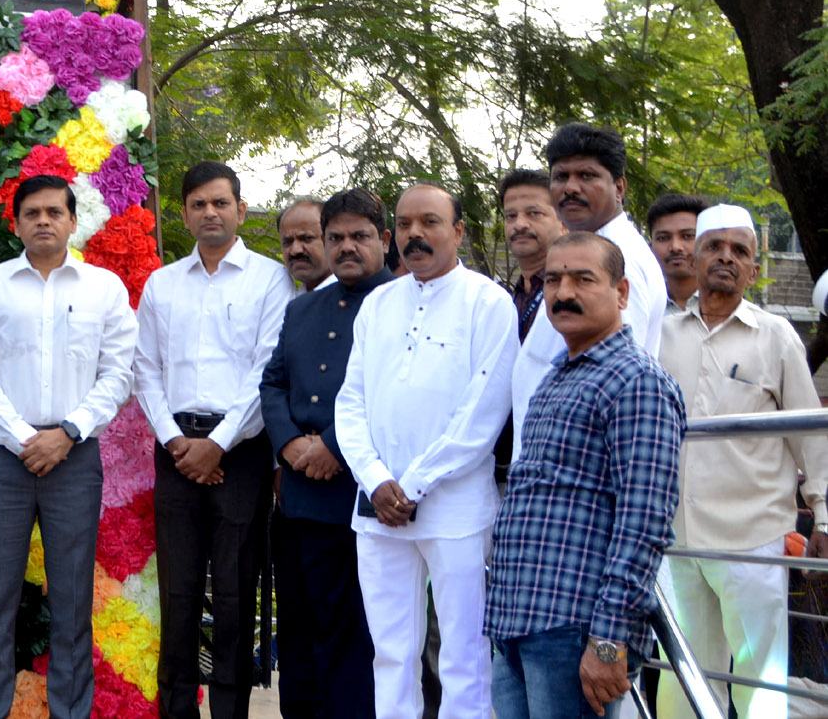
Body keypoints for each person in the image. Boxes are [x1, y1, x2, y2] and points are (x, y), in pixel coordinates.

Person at [334, 183, 517, 719]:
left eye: (430, 222)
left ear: (458, 231)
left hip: (454, 508)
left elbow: (483, 413)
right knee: (390, 651)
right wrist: (375, 480)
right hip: (378, 509)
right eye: (407, 224)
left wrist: (411, 486)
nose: (416, 234)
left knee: (464, 652)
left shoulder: (488, 302)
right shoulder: (379, 304)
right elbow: (351, 402)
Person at [0, 175, 136, 719]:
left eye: (54, 212)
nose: (43, 220)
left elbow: (119, 372)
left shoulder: (103, 288)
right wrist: (22, 437)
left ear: (72, 221)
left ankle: (71, 712)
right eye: (31, 212)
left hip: (74, 457)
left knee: (72, 600)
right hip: (4, 457)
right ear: (15, 223)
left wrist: (70, 433)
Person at [486, 233, 685, 719]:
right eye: (553, 280)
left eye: (582, 279)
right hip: (518, 618)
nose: (562, 292)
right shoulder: (557, 376)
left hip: (578, 629)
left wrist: (609, 639)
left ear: (621, 294)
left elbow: (645, 521)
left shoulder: (637, 382)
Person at [656, 203, 828, 719]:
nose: (725, 258)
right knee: (682, 674)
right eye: (715, 246)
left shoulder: (775, 336)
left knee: (759, 681)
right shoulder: (660, 334)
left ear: (754, 268)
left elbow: (808, 434)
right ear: (695, 255)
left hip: (752, 536)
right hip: (675, 536)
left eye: (740, 251)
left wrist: (825, 514)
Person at [134, 160, 291, 719]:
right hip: (175, 450)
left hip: (240, 453)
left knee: (233, 593)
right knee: (177, 594)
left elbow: (266, 372)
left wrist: (217, 444)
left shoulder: (270, 278)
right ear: (184, 213)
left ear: (241, 210)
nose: (210, 212)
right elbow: (144, 369)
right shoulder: (162, 283)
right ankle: (175, 711)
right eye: (198, 204)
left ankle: (229, 712)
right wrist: (178, 442)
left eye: (220, 202)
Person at [263, 186, 392, 719]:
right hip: (296, 498)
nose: (346, 247)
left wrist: (333, 446)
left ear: (384, 240)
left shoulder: (400, 302)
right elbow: (273, 383)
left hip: (357, 500)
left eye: (359, 236)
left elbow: (394, 390)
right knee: (295, 630)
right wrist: (291, 443)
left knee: (350, 640)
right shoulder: (304, 308)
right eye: (335, 237)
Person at [510, 123, 667, 456]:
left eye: (587, 176)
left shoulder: (622, 259)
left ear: (619, 186)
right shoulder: (581, 251)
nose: (571, 188)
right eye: (561, 176)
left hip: (577, 468)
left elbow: (620, 379)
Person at [497, 169, 563, 342]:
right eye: (511, 216)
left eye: (534, 213)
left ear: (563, 222)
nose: (519, 224)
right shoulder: (508, 296)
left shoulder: (575, 291)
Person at [646, 193, 708, 312]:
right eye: (663, 238)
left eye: (687, 236)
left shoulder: (728, 306)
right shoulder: (640, 305)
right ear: (650, 248)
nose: (675, 247)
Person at [278, 198, 329, 294]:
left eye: (306, 238)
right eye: (288, 242)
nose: (295, 250)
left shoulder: (361, 301)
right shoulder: (290, 300)